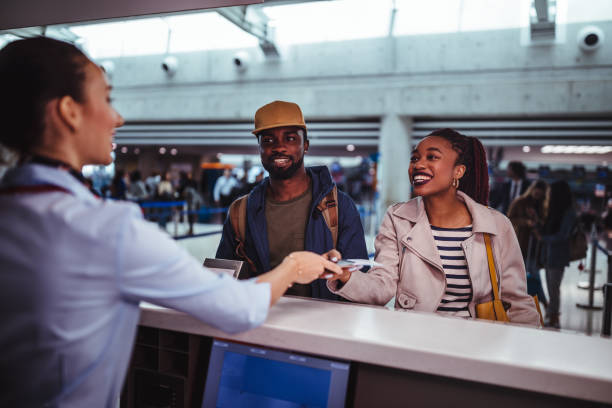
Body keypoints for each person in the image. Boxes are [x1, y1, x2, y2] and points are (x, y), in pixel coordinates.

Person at [0, 37, 342, 407]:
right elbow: (236, 305)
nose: (118, 117)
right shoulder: (105, 230)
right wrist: (293, 265)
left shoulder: (20, 210)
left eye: (290, 138)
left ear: (305, 145)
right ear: (69, 111)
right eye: (107, 99)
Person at [326, 128, 540, 325]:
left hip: (478, 345)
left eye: (432, 157)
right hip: (415, 338)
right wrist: (344, 276)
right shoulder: (397, 218)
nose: (418, 164)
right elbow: (383, 285)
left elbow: (517, 301)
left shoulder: (495, 225)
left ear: (459, 171)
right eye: (415, 158)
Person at [216, 100, 368, 299]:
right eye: (268, 140)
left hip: (322, 324)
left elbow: (360, 283)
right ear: (259, 148)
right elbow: (224, 278)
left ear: (305, 145)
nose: (279, 147)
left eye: (290, 138)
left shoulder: (339, 206)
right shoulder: (241, 211)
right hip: (262, 322)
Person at [535, 180, 577, 329]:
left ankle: (554, 317)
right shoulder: (553, 211)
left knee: (554, 288)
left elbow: (563, 235)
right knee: (551, 287)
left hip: (558, 256)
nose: (549, 194)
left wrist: (543, 238)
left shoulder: (569, 213)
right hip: (548, 255)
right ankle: (551, 315)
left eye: (551, 192)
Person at [507, 180, 549, 307]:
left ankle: (540, 302)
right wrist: (526, 222)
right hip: (521, 244)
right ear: (532, 190)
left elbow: (544, 224)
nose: (537, 195)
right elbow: (509, 218)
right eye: (536, 192)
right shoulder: (520, 202)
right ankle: (526, 302)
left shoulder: (542, 206)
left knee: (534, 275)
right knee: (521, 275)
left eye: (540, 194)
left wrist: (536, 220)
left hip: (536, 247)